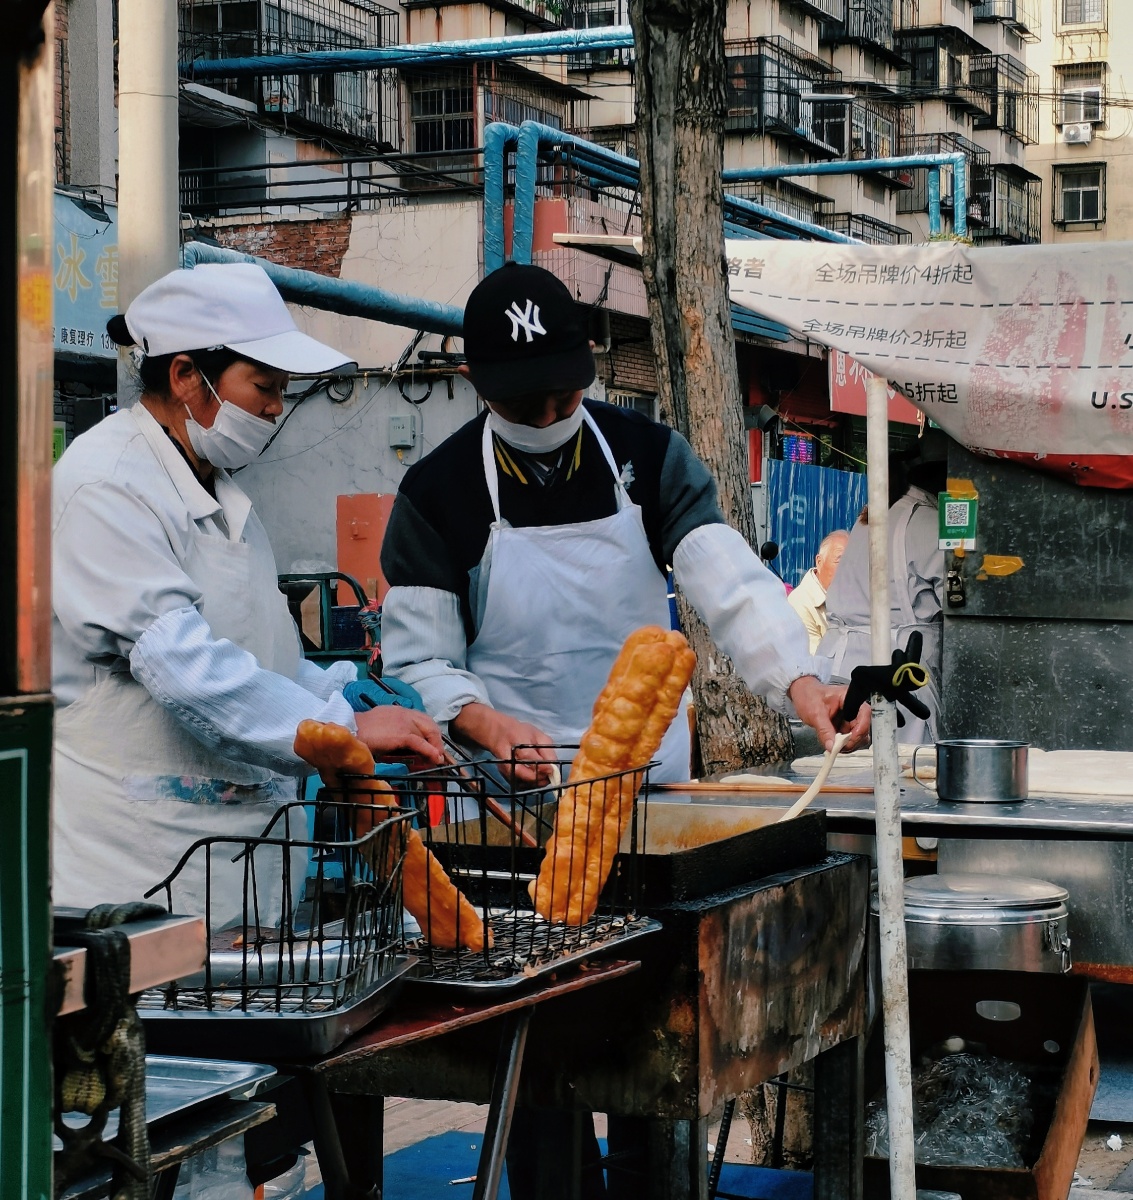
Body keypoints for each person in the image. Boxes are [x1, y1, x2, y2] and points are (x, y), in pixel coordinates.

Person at [51, 263, 444, 922]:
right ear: (184, 377)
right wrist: (342, 730)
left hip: (241, 867)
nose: (273, 407)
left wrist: (335, 692)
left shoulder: (224, 494)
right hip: (138, 871)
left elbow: (259, 658)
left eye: (282, 389)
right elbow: (184, 666)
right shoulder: (104, 486)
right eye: (263, 386)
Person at [379, 262, 869, 787]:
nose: (547, 419)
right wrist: (484, 722)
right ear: (472, 380)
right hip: (509, 797)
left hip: (648, 783)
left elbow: (733, 585)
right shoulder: (436, 492)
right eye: (523, 405)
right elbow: (419, 663)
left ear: (588, 359)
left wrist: (801, 681)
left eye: (564, 396)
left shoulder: (650, 456)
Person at [817, 433, 948, 743]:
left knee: (843, 780)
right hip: (892, 673)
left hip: (837, 667)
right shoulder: (928, 524)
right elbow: (963, 606)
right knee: (905, 780)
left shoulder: (872, 515)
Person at [788, 529, 850, 653]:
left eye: (852, 562)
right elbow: (815, 662)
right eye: (840, 561)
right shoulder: (800, 603)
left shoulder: (855, 596)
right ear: (819, 561)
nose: (847, 569)